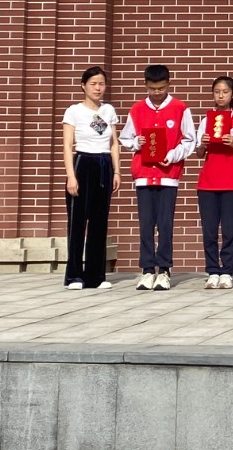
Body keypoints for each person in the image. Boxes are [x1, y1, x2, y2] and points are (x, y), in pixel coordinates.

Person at [119, 64, 196, 291]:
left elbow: (189, 140)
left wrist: (172, 156)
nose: (157, 93)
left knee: (165, 224)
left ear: (168, 84)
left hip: (168, 175)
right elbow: (125, 138)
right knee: (145, 224)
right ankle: (146, 270)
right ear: (146, 85)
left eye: (161, 88)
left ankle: (164, 269)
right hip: (143, 175)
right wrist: (137, 143)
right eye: (152, 89)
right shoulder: (137, 109)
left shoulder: (180, 108)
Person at [60, 66, 119, 290]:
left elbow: (114, 144)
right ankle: (74, 275)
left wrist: (117, 171)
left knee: (99, 222)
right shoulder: (74, 111)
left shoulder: (108, 110)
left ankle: (96, 276)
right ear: (83, 86)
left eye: (101, 83)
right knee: (78, 222)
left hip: (104, 164)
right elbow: (67, 145)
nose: (98, 88)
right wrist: (71, 176)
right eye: (93, 83)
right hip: (83, 163)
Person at [194, 76, 233, 289]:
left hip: (231, 183)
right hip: (208, 184)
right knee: (209, 231)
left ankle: (227, 271)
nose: (221, 96)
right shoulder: (206, 120)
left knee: (229, 231)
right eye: (217, 92)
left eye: (225, 92)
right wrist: (203, 144)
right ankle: (212, 270)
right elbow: (199, 153)